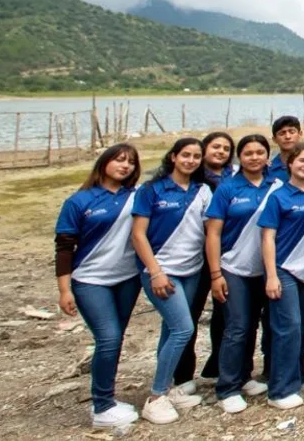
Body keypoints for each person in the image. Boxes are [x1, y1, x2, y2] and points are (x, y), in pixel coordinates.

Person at [55, 144, 144, 429]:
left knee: (115, 340)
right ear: (104, 162)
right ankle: (102, 406)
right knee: (108, 338)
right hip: (90, 280)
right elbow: (65, 247)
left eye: (131, 162)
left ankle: (107, 397)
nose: (125, 166)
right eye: (119, 160)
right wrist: (64, 289)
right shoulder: (79, 201)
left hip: (127, 278)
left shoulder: (137, 197)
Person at [131, 137, 212, 425]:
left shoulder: (202, 191)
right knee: (183, 329)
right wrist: (155, 271)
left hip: (191, 270)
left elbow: (208, 231)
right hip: (162, 271)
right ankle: (155, 397)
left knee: (171, 328)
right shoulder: (152, 190)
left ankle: (167, 388)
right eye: (185, 155)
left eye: (196, 156)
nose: (190, 160)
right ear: (174, 157)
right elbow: (139, 234)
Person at [205, 135, 276, 413]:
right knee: (236, 326)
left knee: (255, 325)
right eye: (248, 153)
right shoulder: (227, 188)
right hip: (233, 267)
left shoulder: (276, 185)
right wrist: (215, 274)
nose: (255, 157)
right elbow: (213, 232)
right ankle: (228, 387)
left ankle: (245, 375)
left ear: (267, 157)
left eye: (260, 152)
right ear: (239, 157)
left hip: (265, 269)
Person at [259, 143, 304, 411]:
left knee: (303, 325)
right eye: (301, 160)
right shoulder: (278, 196)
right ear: (290, 163)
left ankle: (299, 373)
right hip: (283, 269)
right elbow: (267, 237)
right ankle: (280, 389)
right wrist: (271, 274)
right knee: (288, 328)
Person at [190, 131, 237, 386]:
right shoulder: (193, 178)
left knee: (225, 313)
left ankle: (219, 364)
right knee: (189, 314)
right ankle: (183, 374)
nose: (220, 152)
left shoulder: (235, 176)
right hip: (196, 255)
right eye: (215, 147)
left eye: (226, 148)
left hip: (227, 252)